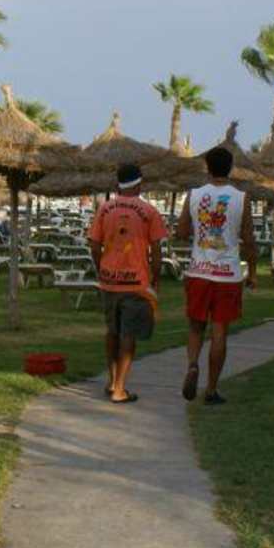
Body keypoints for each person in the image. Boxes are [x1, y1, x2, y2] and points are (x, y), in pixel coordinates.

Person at [173, 145, 257, 405]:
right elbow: (249, 239)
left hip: (199, 271)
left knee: (195, 327)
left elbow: (181, 233)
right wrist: (253, 272)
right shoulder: (241, 198)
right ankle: (210, 389)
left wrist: (201, 231)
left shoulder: (194, 195)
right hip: (227, 273)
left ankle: (192, 364)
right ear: (231, 168)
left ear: (207, 168)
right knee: (219, 330)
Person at [87, 162, 168, 404]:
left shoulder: (104, 209)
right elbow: (156, 250)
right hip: (136, 283)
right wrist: (156, 278)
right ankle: (120, 390)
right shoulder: (149, 211)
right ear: (139, 184)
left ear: (118, 184)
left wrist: (101, 267)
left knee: (112, 331)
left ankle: (112, 381)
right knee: (128, 335)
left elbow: (94, 244)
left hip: (109, 281)